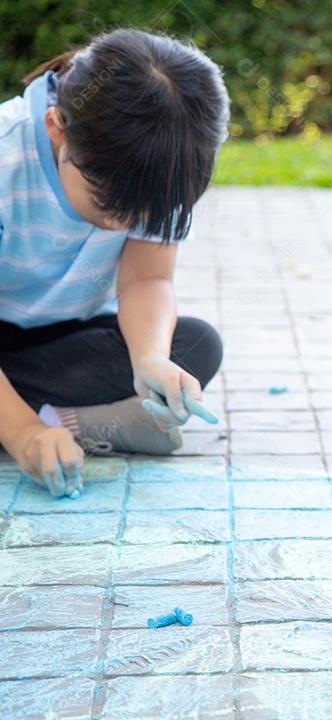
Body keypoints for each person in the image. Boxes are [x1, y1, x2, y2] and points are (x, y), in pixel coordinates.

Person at [0, 29, 230, 498]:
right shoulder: (7, 161)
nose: (122, 225)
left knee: (195, 346)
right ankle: (36, 425)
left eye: (142, 215)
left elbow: (147, 278)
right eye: (107, 205)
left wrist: (149, 359)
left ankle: (57, 424)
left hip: (58, 344)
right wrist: (23, 436)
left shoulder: (165, 167)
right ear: (56, 128)